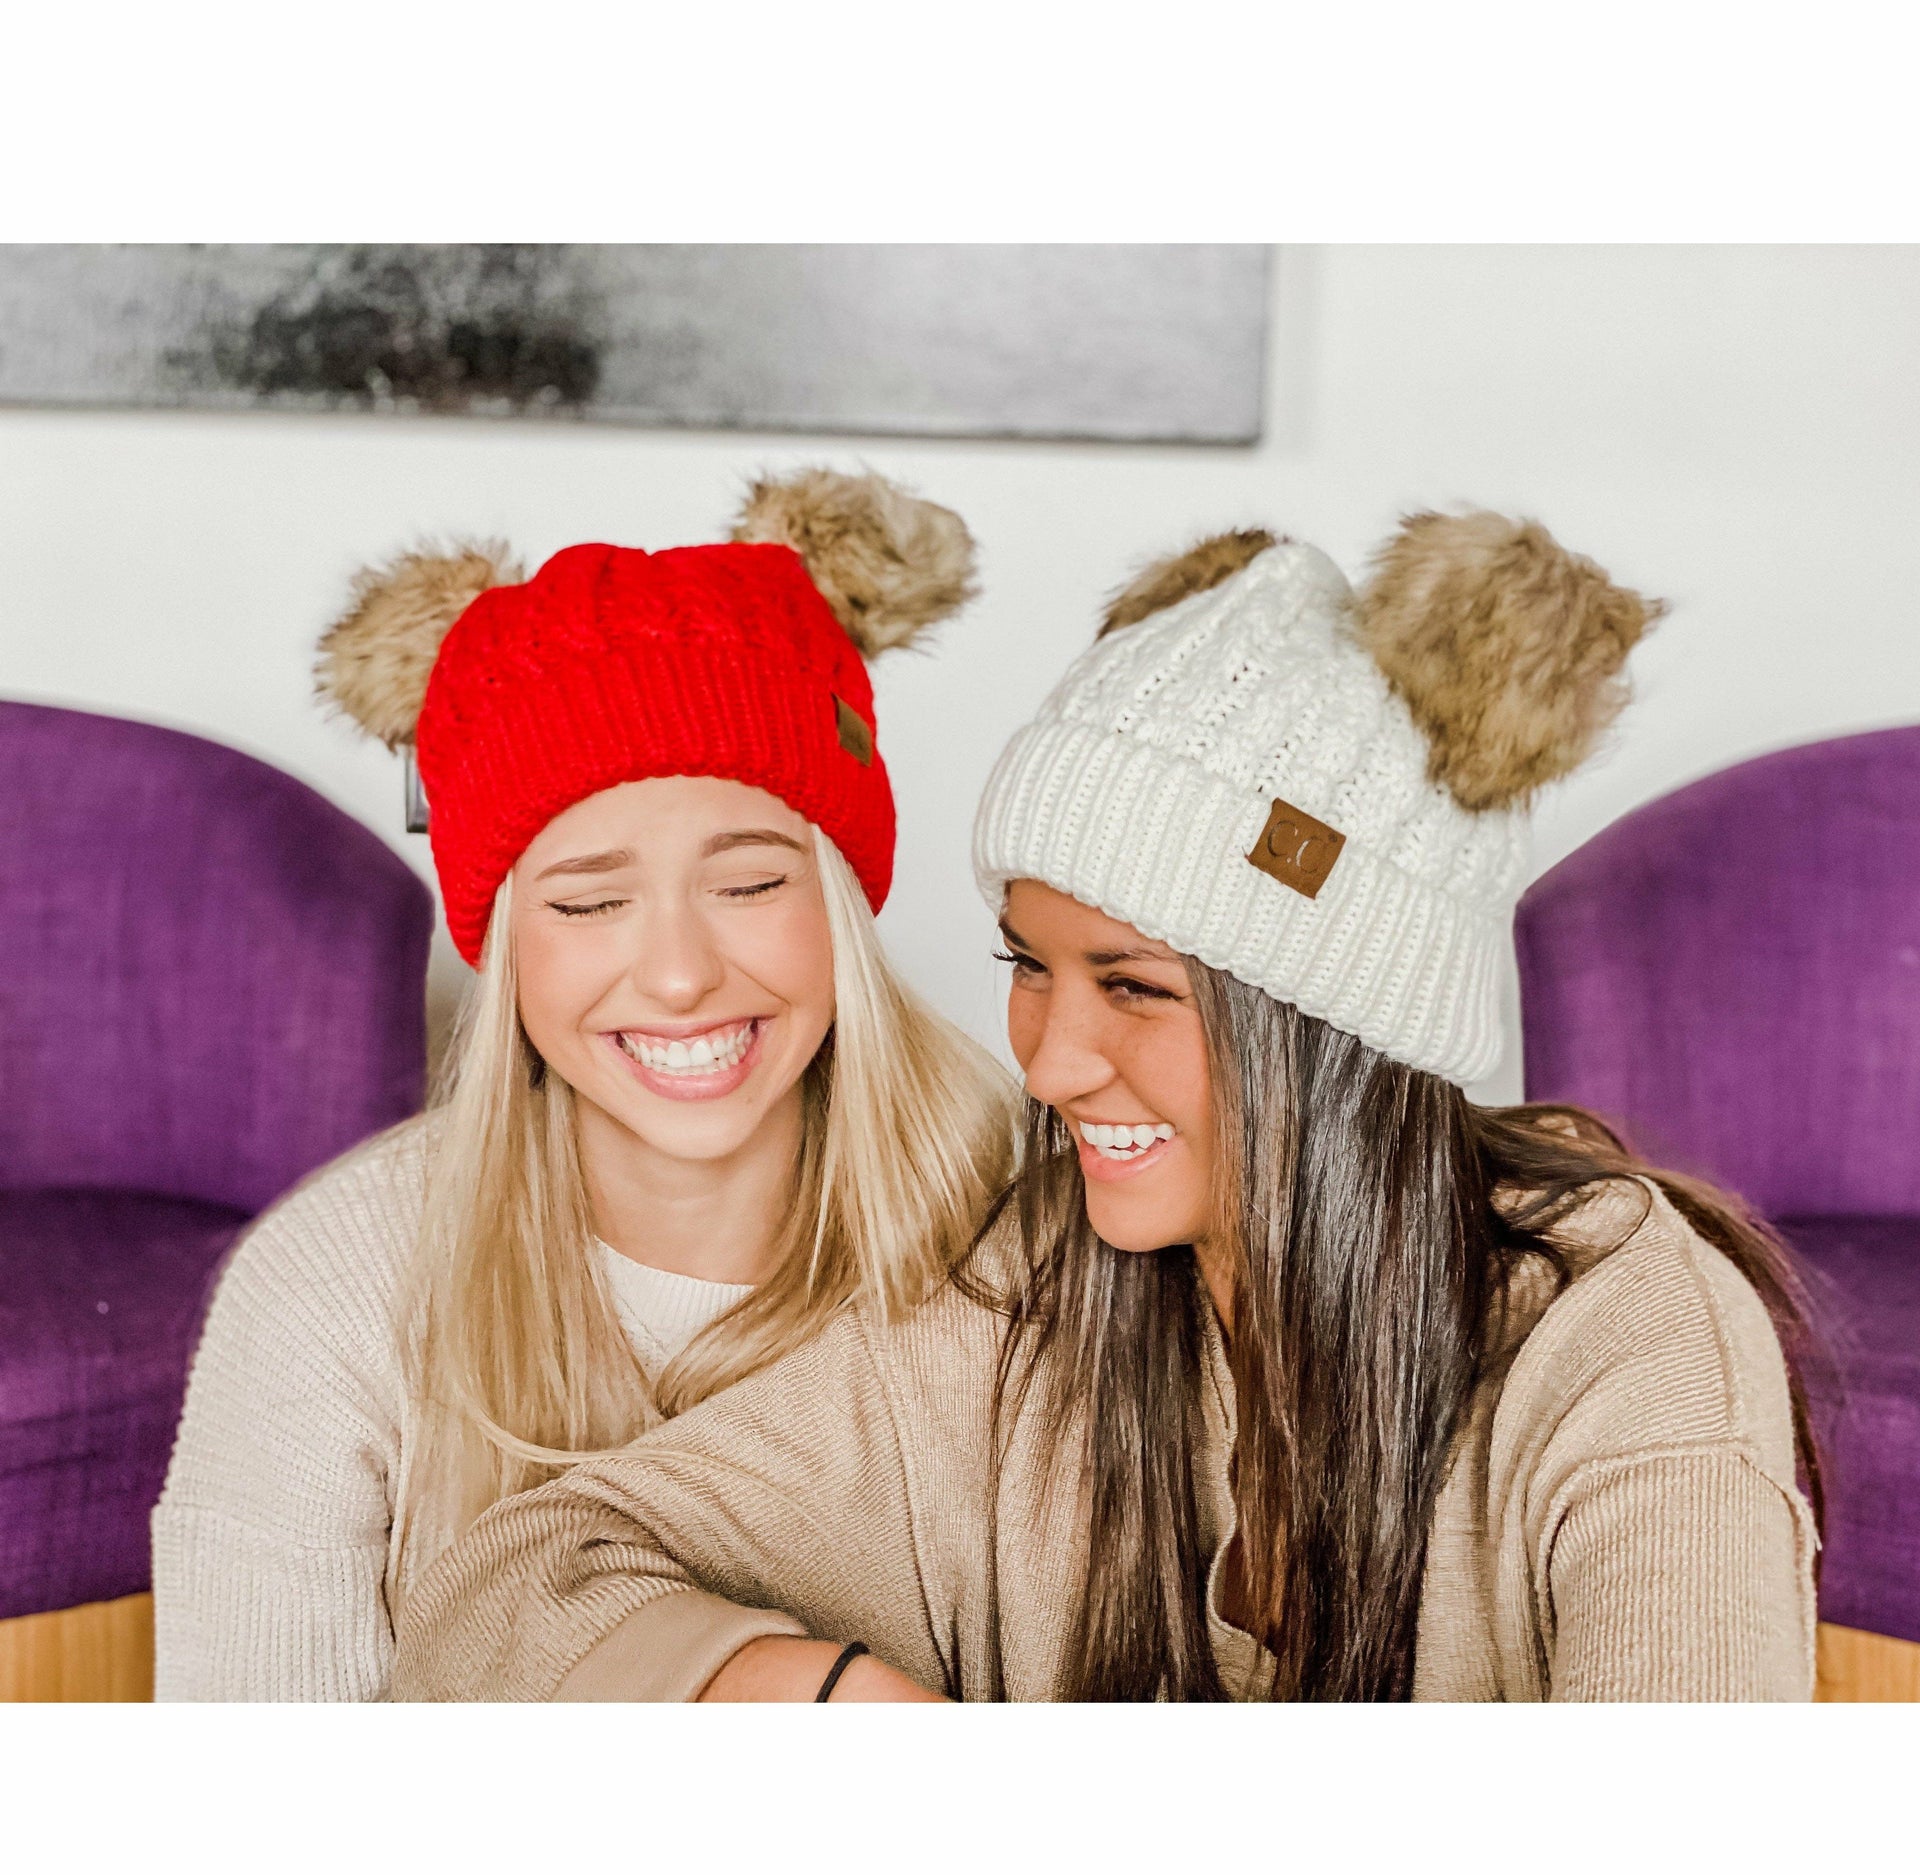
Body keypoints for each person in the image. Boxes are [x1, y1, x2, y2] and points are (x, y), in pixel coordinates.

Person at [389, 511, 1822, 1703]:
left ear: (1337, 1030)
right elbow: (511, 1584)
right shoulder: (1032, 1290)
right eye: (1028, 966)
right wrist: (815, 1698)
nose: (1049, 1063)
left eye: (1131, 987)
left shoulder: (1629, 1347)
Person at [151, 468, 1015, 1700]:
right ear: (507, 941)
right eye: (591, 902)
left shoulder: (1023, 1226)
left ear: (840, 895)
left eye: (749, 883)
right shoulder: (336, 1282)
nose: (678, 974)